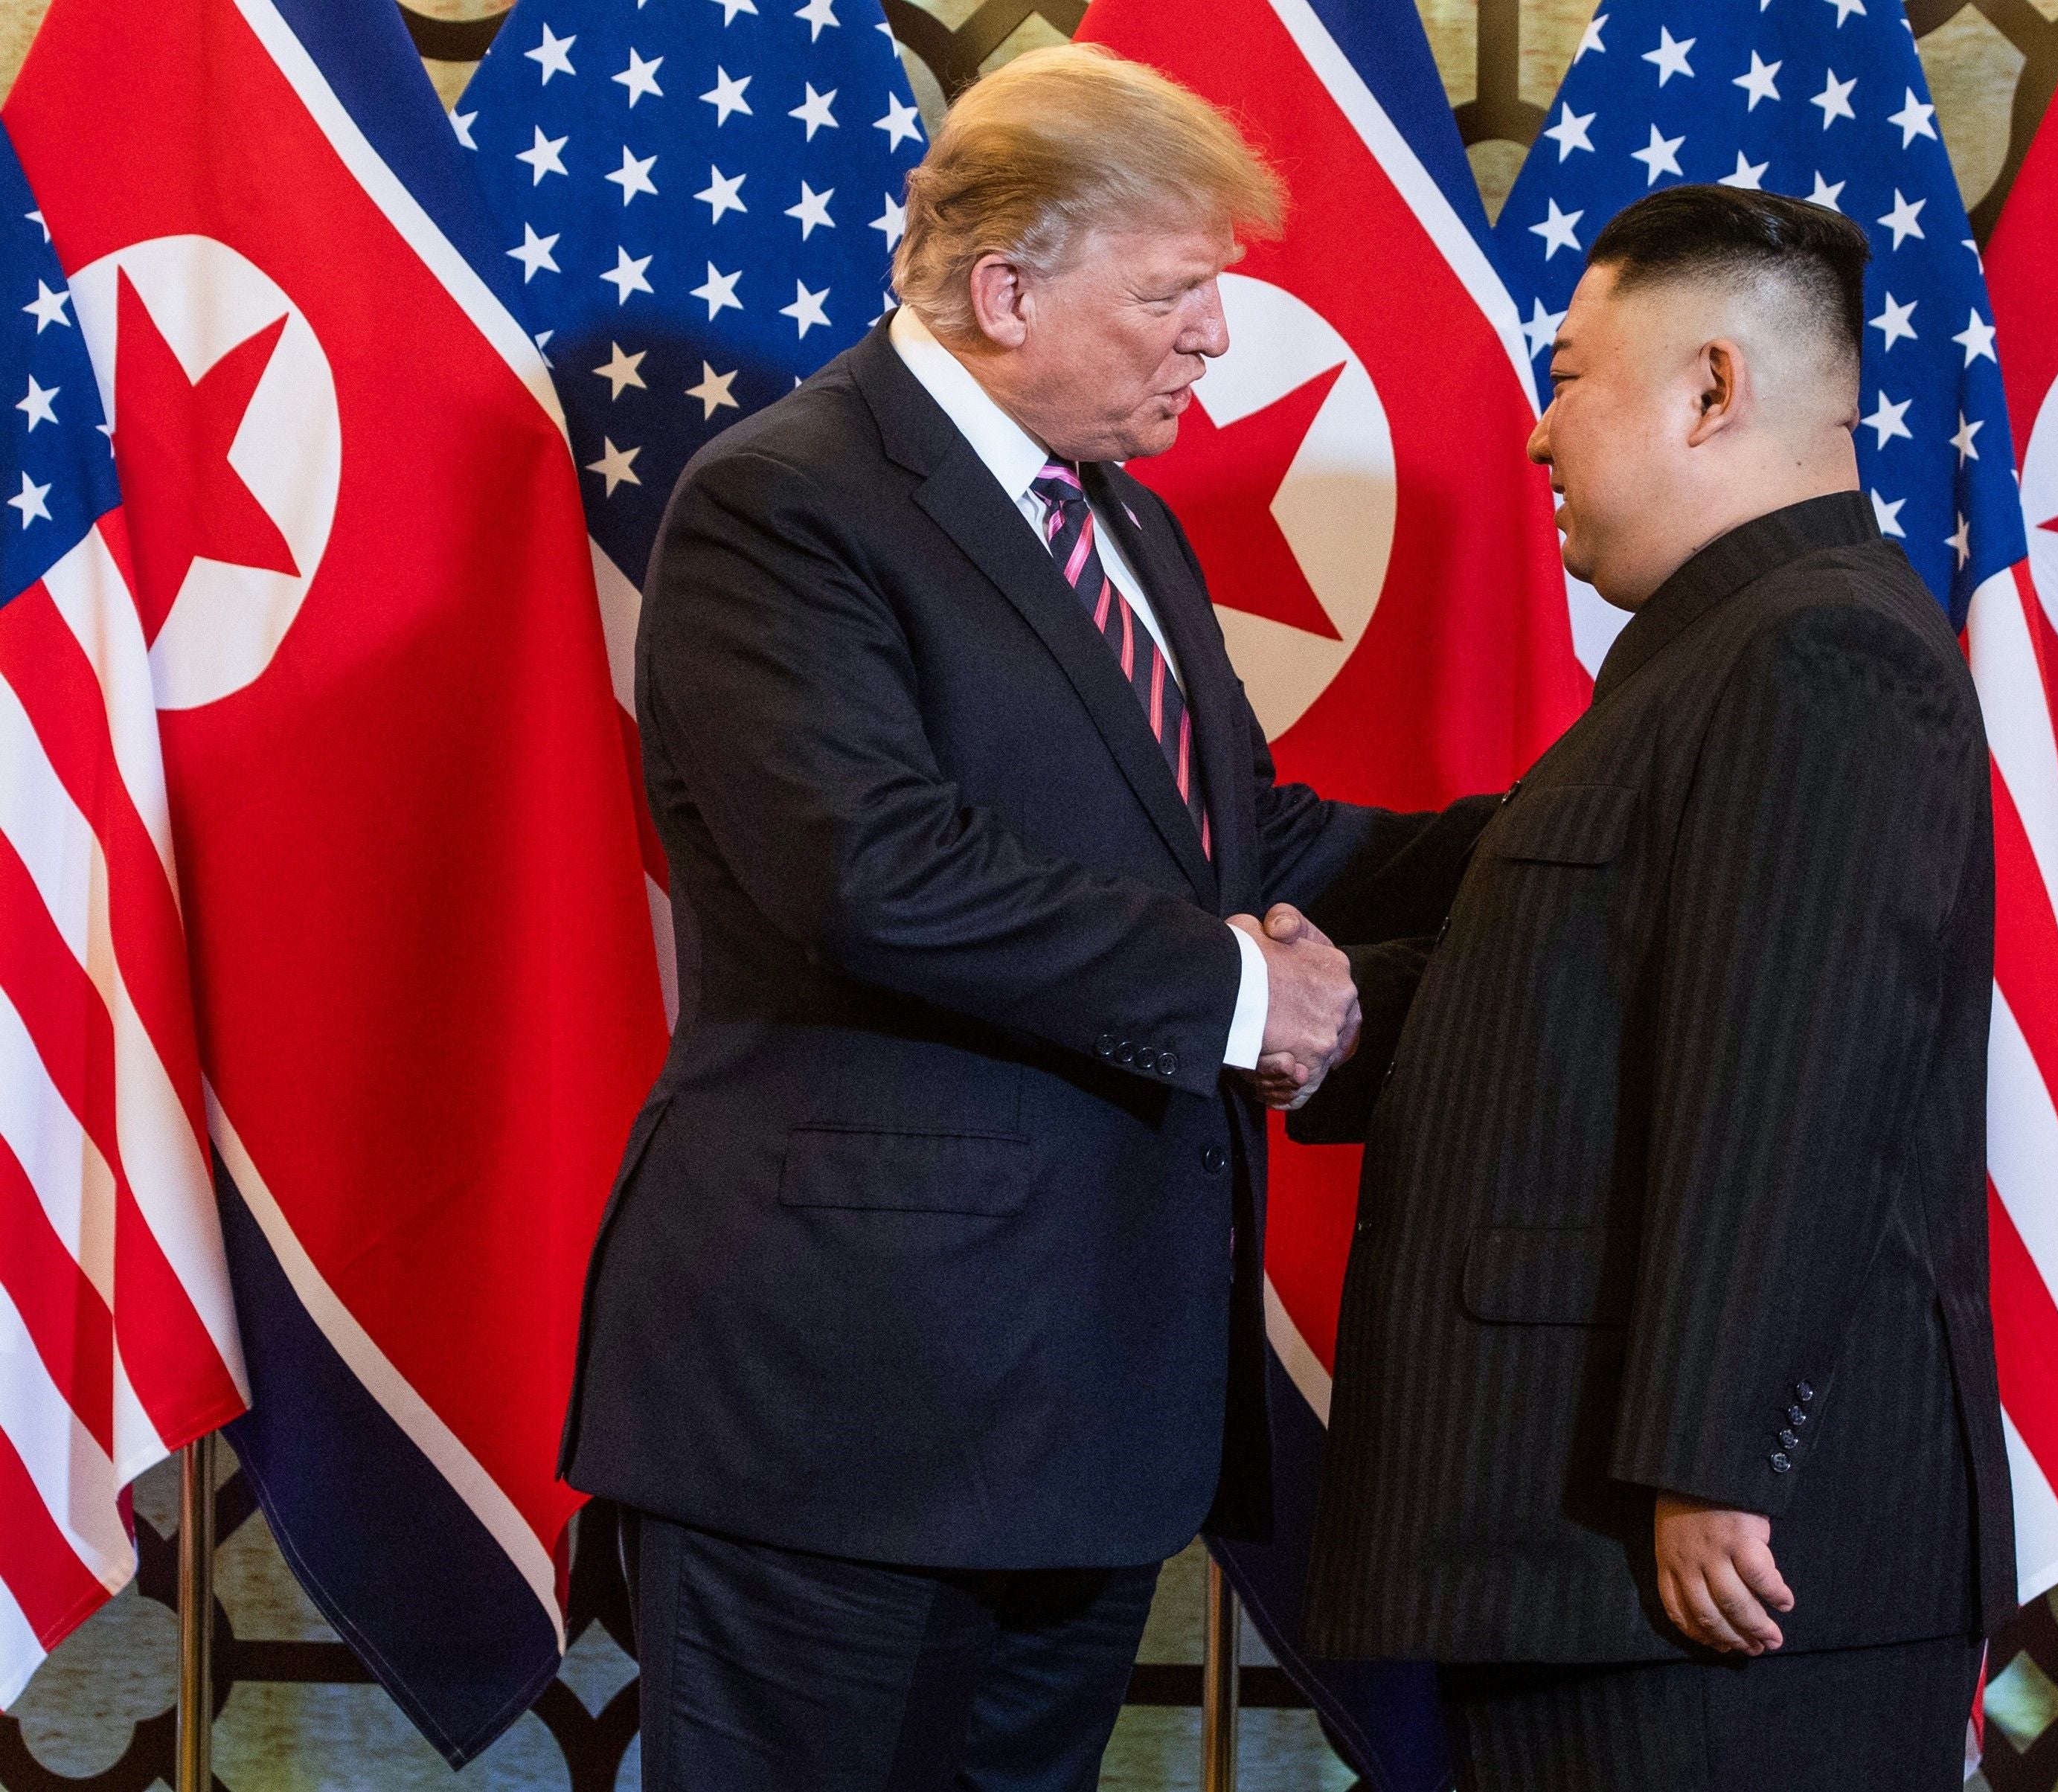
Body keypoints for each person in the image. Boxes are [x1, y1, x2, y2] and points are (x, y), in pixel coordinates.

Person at [557, 45, 1486, 1791]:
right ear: (1008, 289)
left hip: (1082, 1412)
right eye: (1176, 291)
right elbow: (876, 868)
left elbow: (1242, 832)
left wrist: (1574, 837)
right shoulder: (788, 499)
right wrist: (1240, 995)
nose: (1216, 334)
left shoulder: (1121, 516)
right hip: (846, 1408)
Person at [1289, 184, 2014, 1791]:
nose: (1539, 439)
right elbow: (1602, 1010)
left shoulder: (1816, 649)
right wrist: (1332, 1023)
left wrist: (1708, 1456)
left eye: (1564, 379)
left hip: (1694, 1560)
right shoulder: (1720, 649)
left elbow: (1791, 1082)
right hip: (1599, 1557)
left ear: (1708, 388)